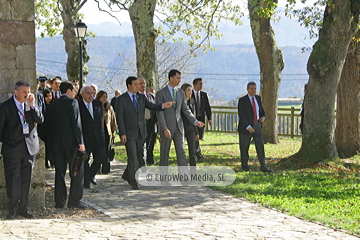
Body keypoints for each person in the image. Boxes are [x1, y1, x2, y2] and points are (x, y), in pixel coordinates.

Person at [116, 76, 173, 190]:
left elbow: (151, 106)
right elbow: (120, 118)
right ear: (129, 85)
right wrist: (122, 133)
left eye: (139, 84)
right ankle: (134, 180)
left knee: (138, 157)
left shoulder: (141, 97)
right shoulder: (121, 99)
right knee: (132, 156)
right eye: (135, 84)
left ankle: (127, 175)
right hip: (129, 133)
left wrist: (162, 106)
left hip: (141, 132)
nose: (138, 86)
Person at [0, 81, 44, 220]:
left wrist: (33, 107)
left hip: (29, 148)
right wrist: (7, 143)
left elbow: (40, 120)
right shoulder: (5, 107)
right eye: (24, 92)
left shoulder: (30, 106)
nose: (27, 94)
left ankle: (24, 208)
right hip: (12, 150)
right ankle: (12, 209)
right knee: (13, 180)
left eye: (29, 91)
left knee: (26, 180)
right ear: (16, 92)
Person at [43, 81, 86, 209]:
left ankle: (59, 202)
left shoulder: (52, 105)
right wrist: (81, 142)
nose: (75, 94)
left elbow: (47, 126)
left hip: (56, 145)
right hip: (71, 144)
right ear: (68, 91)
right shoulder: (73, 103)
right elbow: (76, 124)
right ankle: (74, 201)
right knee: (77, 172)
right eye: (74, 91)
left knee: (59, 173)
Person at [156, 69, 205, 170]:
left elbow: (185, 109)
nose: (179, 80)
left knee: (182, 153)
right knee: (164, 154)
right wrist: (164, 128)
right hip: (167, 128)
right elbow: (159, 112)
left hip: (179, 128)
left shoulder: (180, 93)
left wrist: (195, 121)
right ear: (171, 78)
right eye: (178, 78)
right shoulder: (161, 93)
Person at [237, 82, 272, 172]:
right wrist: (248, 126)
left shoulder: (258, 98)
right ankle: (245, 166)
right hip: (246, 127)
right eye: (251, 88)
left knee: (260, 146)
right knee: (244, 147)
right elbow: (241, 115)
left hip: (257, 125)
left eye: (255, 88)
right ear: (247, 89)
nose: (253, 90)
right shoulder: (242, 100)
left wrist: (263, 117)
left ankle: (263, 166)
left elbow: (261, 111)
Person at [79, 86, 105, 189]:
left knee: (101, 157)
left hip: (98, 137)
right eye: (88, 93)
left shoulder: (97, 104)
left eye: (92, 93)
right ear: (82, 94)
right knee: (85, 160)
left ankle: (90, 175)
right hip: (85, 137)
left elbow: (99, 120)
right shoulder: (78, 105)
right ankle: (86, 182)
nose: (91, 95)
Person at [96, 90, 117, 174]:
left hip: (107, 131)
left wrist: (113, 132)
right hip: (98, 131)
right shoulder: (95, 106)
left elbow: (113, 120)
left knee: (107, 151)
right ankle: (97, 167)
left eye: (105, 97)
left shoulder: (109, 107)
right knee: (99, 150)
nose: (104, 98)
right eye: (103, 97)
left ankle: (106, 169)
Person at [138, 78, 157, 166]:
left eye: (144, 83)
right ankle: (142, 161)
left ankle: (150, 158)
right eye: (140, 83)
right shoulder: (135, 97)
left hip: (151, 122)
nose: (142, 85)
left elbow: (155, 108)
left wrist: (157, 120)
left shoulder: (151, 96)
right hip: (140, 123)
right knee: (142, 144)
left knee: (151, 141)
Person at [192, 78, 212, 160]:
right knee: (194, 137)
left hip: (201, 118)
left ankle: (196, 152)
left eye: (202, 84)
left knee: (199, 136)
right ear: (195, 85)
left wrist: (209, 118)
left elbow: (207, 107)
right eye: (200, 84)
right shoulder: (190, 94)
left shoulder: (204, 94)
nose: (201, 85)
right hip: (193, 119)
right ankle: (197, 154)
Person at [181, 83, 199, 167]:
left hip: (191, 128)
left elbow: (193, 117)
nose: (190, 92)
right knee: (182, 151)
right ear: (183, 91)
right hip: (181, 128)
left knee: (192, 151)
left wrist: (196, 132)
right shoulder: (180, 102)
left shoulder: (192, 102)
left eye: (191, 90)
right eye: (188, 90)